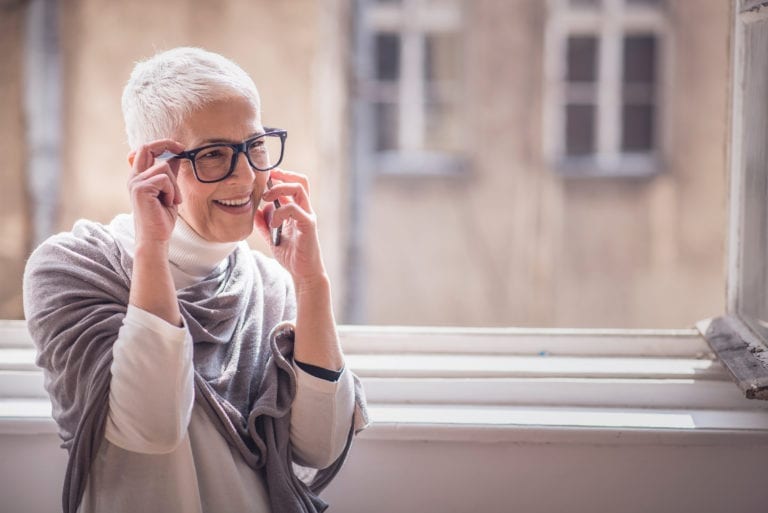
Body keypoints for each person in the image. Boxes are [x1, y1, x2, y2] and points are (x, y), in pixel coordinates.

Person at [23, 47, 368, 513]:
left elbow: (320, 446)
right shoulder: (71, 269)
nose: (246, 176)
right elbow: (152, 426)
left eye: (255, 145)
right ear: (150, 167)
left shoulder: (268, 284)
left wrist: (311, 284)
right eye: (214, 154)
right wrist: (152, 250)